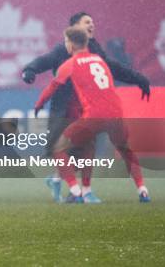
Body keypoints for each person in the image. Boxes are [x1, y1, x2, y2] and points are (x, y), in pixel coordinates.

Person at [22, 12, 150, 203]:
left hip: (88, 109)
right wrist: (30, 69)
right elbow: (45, 60)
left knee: (83, 149)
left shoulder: (94, 49)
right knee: (64, 150)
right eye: (87, 22)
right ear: (75, 27)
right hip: (66, 110)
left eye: (93, 21)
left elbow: (114, 67)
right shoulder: (63, 51)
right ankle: (67, 183)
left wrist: (137, 78)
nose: (92, 25)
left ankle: (80, 189)